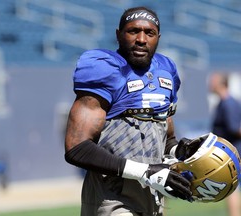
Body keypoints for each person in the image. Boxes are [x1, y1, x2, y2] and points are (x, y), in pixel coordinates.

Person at [64, 6, 196, 216]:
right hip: (112, 196)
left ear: (158, 38)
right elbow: (76, 147)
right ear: (118, 34)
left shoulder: (166, 71)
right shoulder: (104, 69)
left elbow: (167, 138)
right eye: (133, 31)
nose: (141, 39)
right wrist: (144, 172)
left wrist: (180, 152)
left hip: (152, 197)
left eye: (149, 33)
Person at [209, 72, 241, 216]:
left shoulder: (228, 103)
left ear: (221, 84)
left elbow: (235, 129)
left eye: (213, 81)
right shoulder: (223, 102)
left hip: (232, 153)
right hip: (228, 153)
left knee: (232, 189)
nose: (210, 84)